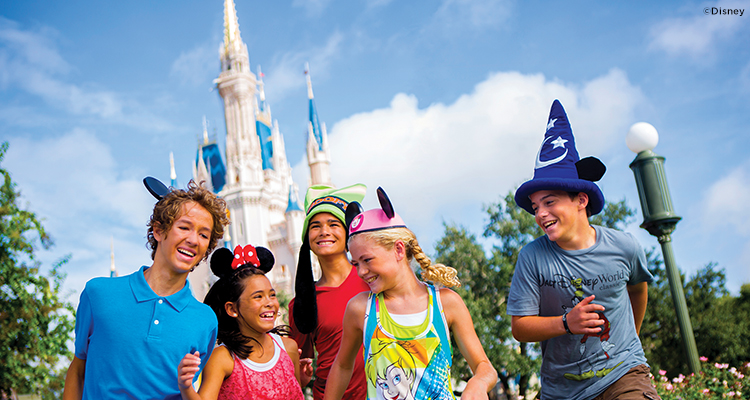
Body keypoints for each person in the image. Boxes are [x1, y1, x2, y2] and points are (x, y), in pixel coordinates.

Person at [507, 100, 661, 400]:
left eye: (550, 202)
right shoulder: (532, 257)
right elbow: (520, 328)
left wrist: (631, 340)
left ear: (581, 200)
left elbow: (638, 290)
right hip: (562, 390)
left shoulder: (624, 246)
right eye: (536, 207)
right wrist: (567, 323)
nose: (540, 214)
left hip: (623, 375)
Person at [324, 187, 498, 400]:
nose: (361, 272)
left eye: (367, 260)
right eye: (356, 263)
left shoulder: (447, 304)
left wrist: (478, 382)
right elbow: (342, 366)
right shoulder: (360, 309)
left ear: (398, 250)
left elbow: (485, 367)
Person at [63, 178, 230, 400]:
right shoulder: (99, 294)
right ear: (159, 231)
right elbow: (78, 372)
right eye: (184, 227)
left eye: (203, 235)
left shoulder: (206, 321)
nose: (193, 240)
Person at [177, 244, 304, 400]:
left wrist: (302, 380)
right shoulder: (222, 359)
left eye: (272, 295)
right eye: (258, 297)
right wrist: (186, 387)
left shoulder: (289, 348)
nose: (270, 302)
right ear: (232, 309)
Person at [289, 184, 370, 399]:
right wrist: (300, 376)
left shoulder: (373, 279)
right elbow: (298, 366)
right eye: (315, 226)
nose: (324, 231)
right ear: (307, 237)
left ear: (347, 232)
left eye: (333, 224)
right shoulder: (302, 303)